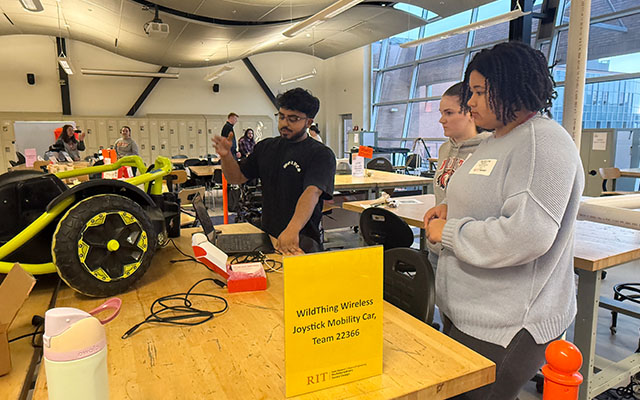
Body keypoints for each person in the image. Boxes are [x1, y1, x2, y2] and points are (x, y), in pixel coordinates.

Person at [423, 41, 584, 400]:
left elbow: (527, 234)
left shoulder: (543, 143)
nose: (471, 102)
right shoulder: (495, 139)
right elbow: (491, 195)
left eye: (480, 92)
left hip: (508, 324)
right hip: (470, 310)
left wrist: (449, 231)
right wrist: (454, 208)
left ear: (513, 87)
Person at [212, 88, 336, 255]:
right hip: (268, 237)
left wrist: (292, 230)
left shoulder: (321, 154)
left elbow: (312, 192)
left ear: (308, 122)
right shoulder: (266, 147)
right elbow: (237, 177)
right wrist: (226, 157)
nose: (284, 123)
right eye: (282, 116)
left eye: (293, 119)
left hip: (301, 240)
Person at [427, 83, 490, 269]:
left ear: (470, 113)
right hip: (437, 246)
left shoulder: (488, 149)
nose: (441, 120)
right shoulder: (445, 149)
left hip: (464, 250)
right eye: (441, 113)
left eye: (449, 113)